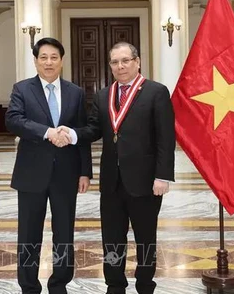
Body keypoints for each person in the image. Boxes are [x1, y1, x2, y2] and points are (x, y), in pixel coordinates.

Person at [56, 42, 175, 294]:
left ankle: (145, 285)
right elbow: (93, 130)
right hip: (111, 182)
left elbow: (166, 138)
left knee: (145, 240)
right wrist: (73, 134)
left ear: (137, 61)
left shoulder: (156, 92)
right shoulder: (103, 95)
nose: (120, 67)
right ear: (109, 66)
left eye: (125, 61)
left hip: (145, 182)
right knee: (111, 240)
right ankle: (115, 285)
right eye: (114, 62)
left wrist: (163, 176)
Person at [5, 37, 92, 294]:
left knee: (64, 234)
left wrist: (85, 171)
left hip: (66, 173)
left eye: (54, 57)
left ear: (62, 61)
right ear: (35, 61)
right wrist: (47, 132)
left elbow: (83, 134)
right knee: (29, 235)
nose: (49, 62)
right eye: (43, 57)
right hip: (31, 173)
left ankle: (59, 285)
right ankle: (29, 286)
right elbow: (13, 120)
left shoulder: (76, 92)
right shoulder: (22, 89)